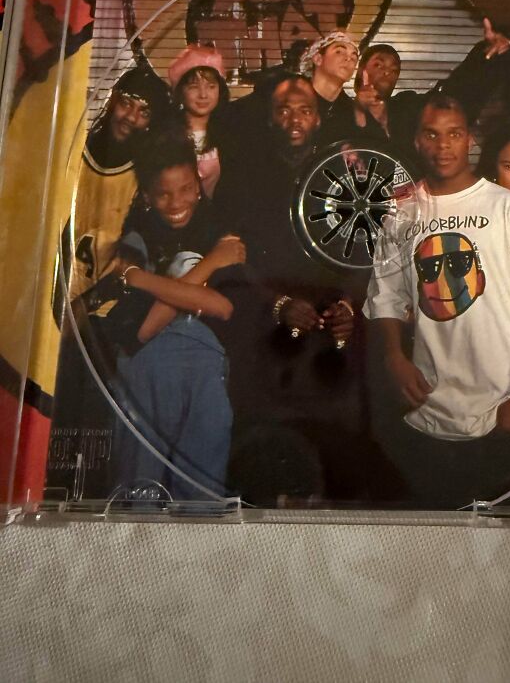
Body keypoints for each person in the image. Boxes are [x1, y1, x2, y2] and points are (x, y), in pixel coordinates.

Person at [363, 92, 510, 508]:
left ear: (469, 141)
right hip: (434, 417)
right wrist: (394, 357)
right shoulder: (401, 214)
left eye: (454, 134)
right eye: (432, 134)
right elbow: (385, 298)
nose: (443, 145)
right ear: (417, 141)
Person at [215, 75, 399, 505]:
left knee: (340, 460)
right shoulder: (244, 175)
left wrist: (351, 306)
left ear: (319, 119)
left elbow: (374, 251)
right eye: (283, 109)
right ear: (269, 118)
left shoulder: (348, 170)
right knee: (265, 465)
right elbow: (228, 259)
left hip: (333, 341)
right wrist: (275, 305)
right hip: (267, 345)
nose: (294, 119)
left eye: (304, 110)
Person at [101, 132, 246, 499]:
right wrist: (210, 263)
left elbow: (223, 306)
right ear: (147, 197)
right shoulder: (133, 237)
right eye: (163, 194)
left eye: (185, 189)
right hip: (145, 368)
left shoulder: (220, 228)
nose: (176, 202)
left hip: (203, 370)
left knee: (201, 487)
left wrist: (142, 280)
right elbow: (146, 329)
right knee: (140, 485)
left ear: (198, 186)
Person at [60, 64, 171, 308]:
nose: (131, 117)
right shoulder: (70, 153)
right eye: (127, 104)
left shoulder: (144, 181)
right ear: (112, 102)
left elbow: (138, 262)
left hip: (97, 311)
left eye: (144, 112)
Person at [351, 19, 510, 168]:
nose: (387, 72)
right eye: (379, 65)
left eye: (394, 69)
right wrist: (359, 110)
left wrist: (484, 55)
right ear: (361, 71)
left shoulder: (407, 106)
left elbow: (452, 95)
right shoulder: (341, 110)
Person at [168, 44, 229, 198]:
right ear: (181, 91)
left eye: (211, 86)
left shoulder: (229, 134)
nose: (203, 95)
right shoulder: (166, 135)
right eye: (194, 87)